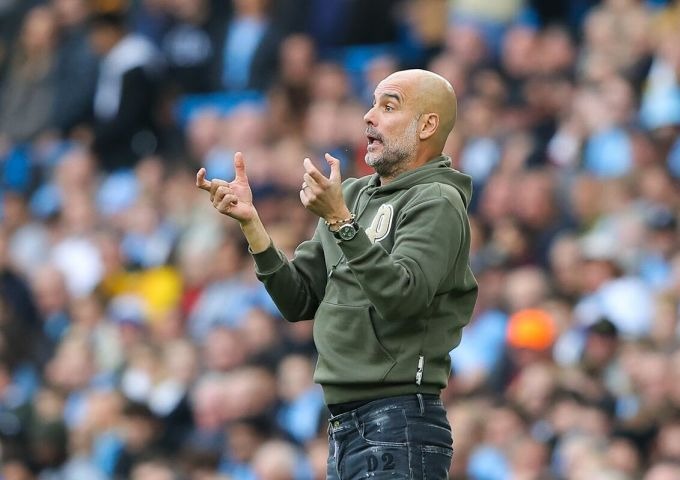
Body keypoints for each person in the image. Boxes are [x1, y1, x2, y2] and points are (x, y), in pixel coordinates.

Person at [196, 69, 478, 478]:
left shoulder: (437, 200)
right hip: (343, 425)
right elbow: (298, 300)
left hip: (400, 420)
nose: (368, 116)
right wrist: (252, 224)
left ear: (427, 126)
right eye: (372, 104)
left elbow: (403, 298)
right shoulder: (351, 195)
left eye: (388, 106)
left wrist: (343, 223)